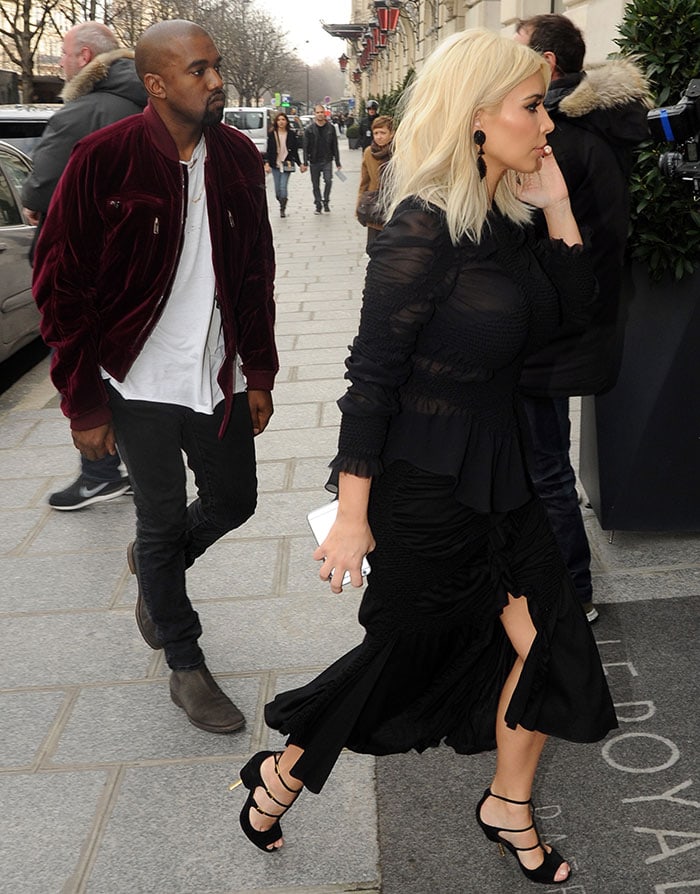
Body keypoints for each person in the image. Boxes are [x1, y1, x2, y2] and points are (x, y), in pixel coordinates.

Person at [231, 29, 617, 885]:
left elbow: (571, 319)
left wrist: (555, 205)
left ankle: (505, 805)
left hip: (502, 472)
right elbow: (371, 379)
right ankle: (281, 774)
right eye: (530, 108)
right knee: (403, 660)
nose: (545, 125)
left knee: (550, 642)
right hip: (424, 489)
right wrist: (354, 516)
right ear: (477, 118)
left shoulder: (506, 218)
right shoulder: (422, 225)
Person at [32, 20, 278, 734]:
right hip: (134, 379)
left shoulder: (236, 156)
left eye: (217, 68)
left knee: (235, 501)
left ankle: (157, 563)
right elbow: (60, 285)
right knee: (163, 515)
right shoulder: (102, 158)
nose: (216, 81)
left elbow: (256, 269)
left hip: (217, 375)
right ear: (158, 84)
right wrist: (82, 403)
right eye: (199, 71)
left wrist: (257, 368)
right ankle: (185, 661)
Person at [514, 14, 651, 623]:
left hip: (551, 324)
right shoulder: (594, 122)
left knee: (543, 465)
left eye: (515, 53)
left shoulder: (558, 135)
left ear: (545, 62)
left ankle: (571, 590)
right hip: (576, 318)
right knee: (545, 461)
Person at [23, 21, 148, 511]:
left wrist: (38, 202)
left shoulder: (82, 112)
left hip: (86, 265)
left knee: (79, 361)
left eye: (66, 55)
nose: (61, 64)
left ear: (86, 58)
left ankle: (99, 471)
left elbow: (40, 188)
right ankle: (143, 464)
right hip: (144, 259)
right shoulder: (149, 102)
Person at [356, 114, 394, 250]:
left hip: (394, 205)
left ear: (392, 134)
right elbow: (364, 182)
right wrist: (359, 206)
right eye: (375, 133)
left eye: (383, 133)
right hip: (375, 206)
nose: (378, 136)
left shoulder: (400, 151)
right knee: (373, 248)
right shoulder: (368, 152)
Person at [264, 111, 306, 218]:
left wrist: (300, 164)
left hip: (287, 163)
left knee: (283, 186)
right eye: (279, 120)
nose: (281, 122)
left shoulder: (291, 134)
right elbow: (269, 150)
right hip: (275, 164)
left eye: (283, 120)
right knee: (277, 189)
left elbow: (295, 151)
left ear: (286, 122)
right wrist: (267, 163)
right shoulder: (272, 134)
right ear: (276, 122)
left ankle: (282, 208)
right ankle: (281, 200)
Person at [303, 104, 342, 213]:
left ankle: (326, 201)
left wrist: (338, 161)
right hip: (314, 160)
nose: (320, 114)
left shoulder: (331, 128)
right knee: (315, 184)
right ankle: (318, 203)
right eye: (318, 112)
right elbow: (305, 147)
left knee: (328, 180)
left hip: (327, 159)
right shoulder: (309, 129)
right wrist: (305, 162)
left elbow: (335, 145)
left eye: (321, 112)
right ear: (314, 114)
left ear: (324, 113)